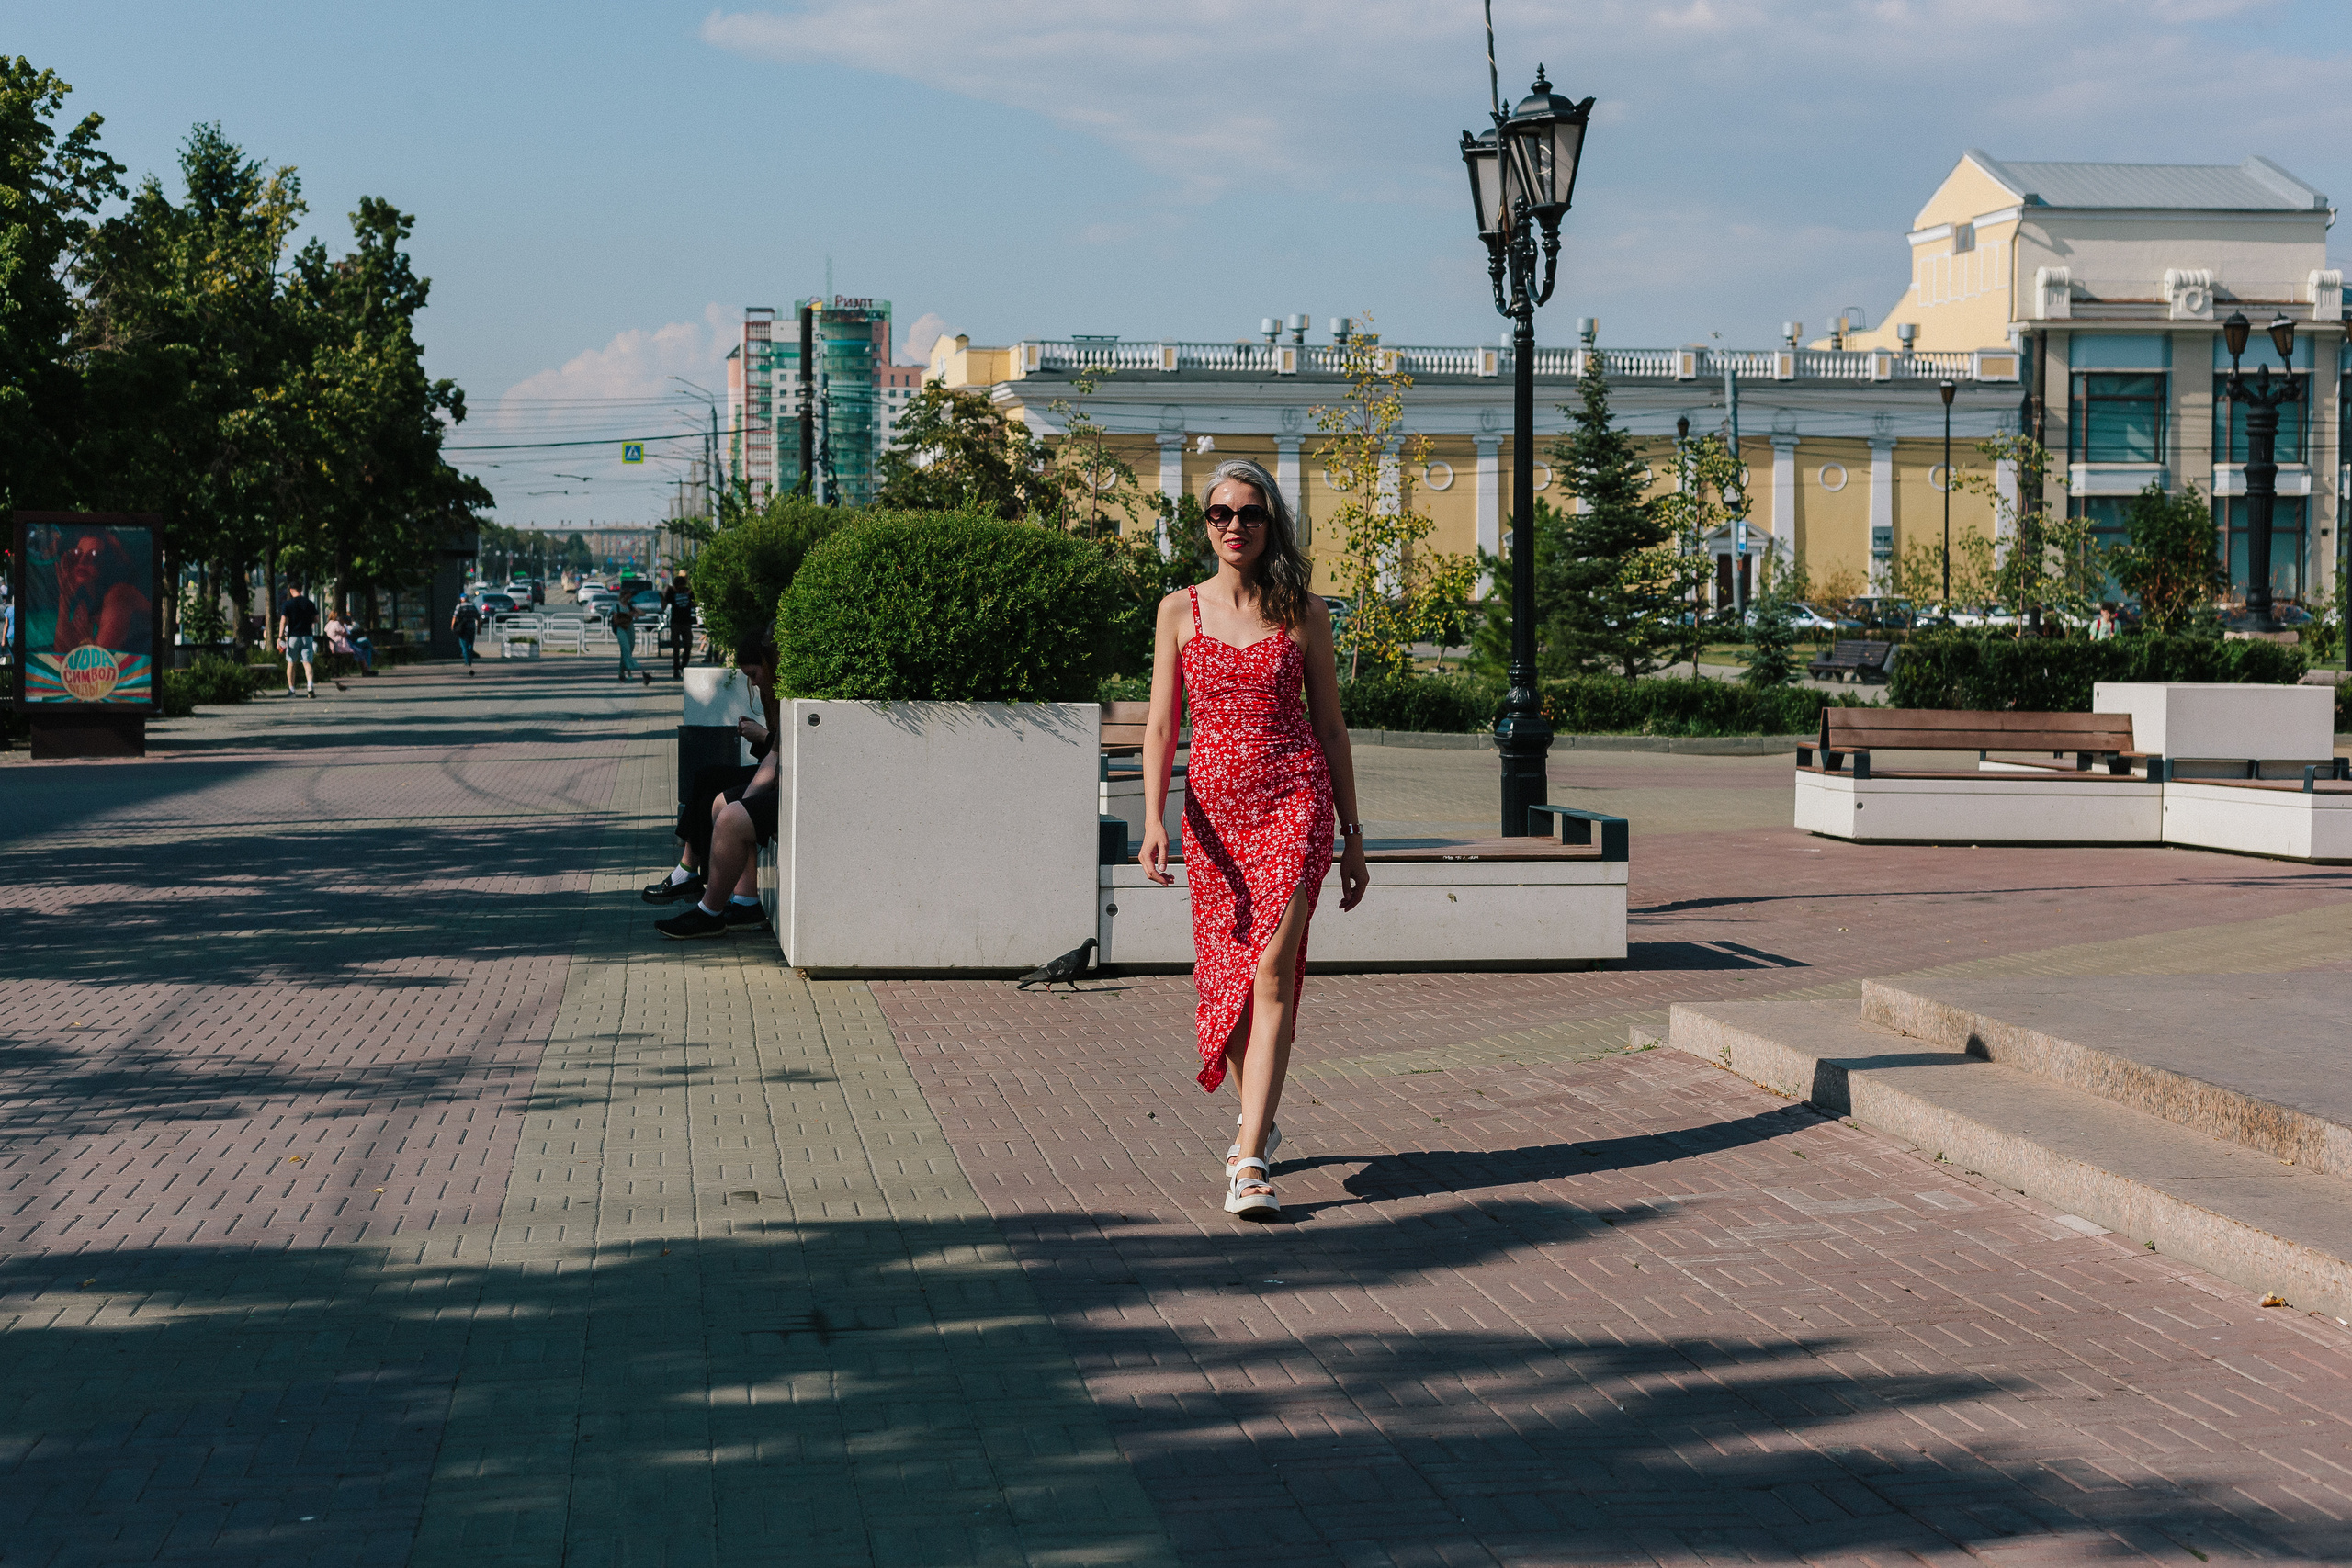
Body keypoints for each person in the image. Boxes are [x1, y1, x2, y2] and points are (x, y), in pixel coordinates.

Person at [1139, 457, 1367, 1221]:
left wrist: (1353, 835)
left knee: (1270, 971)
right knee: (1230, 987)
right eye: (1220, 513)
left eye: (1249, 512)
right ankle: (1256, 1119)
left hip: (1294, 803)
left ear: (1272, 523)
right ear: (1206, 525)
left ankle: (1250, 1161)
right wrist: (1153, 819)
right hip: (1213, 819)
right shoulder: (1178, 610)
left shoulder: (1304, 611)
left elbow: (1331, 726)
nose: (1234, 525)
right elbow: (1162, 726)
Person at [644, 641, 782, 906]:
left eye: (754, 674)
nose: (753, 683)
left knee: (718, 797)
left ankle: (695, 877)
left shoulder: (781, 693)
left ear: (768, 664)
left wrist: (762, 736)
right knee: (706, 777)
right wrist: (761, 736)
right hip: (771, 769)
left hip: (777, 776)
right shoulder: (768, 694)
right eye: (748, 677)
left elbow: (782, 753)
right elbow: (773, 753)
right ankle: (689, 870)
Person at [278, 585, 321, 697]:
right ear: (301, 590)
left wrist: (280, 636)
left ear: (291, 590)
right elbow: (316, 619)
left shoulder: (287, 604)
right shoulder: (309, 603)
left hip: (293, 636)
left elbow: (283, 620)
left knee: (291, 663)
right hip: (307, 635)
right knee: (307, 662)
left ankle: (292, 690)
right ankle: (310, 687)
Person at [611, 598, 650, 684]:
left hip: (630, 629)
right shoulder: (616, 606)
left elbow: (643, 614)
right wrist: (627, 614)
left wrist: (635, 611)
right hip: (621, 629)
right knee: (626, 649)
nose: (626, 599)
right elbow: (615, 619)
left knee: (627, 651)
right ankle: (633, 669)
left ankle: (622, 672)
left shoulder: (630, 606)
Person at [665, 573, 695, 678]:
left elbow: (694, 603)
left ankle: (683, 666)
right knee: (676, 647)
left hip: (686, 622)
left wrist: (690, 594)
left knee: (688, 645)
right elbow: (665, 604)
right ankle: (676, 669)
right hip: (675, 622)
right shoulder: (671, 592)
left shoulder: (689, 592)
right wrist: (665, 593)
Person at [451, 599, 480, 673]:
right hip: (472, 627)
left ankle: (467, 661)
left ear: (461, 599)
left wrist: (452, 626)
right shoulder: (472, 606)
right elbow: (478, 617)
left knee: (464, 644)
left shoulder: (459, 606)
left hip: (463, 628)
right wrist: (479, 628)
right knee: (470, 644)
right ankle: (470, 659)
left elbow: (455, 616)